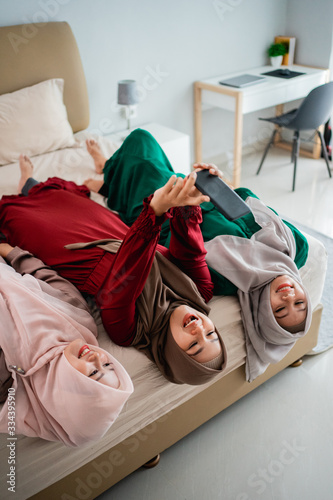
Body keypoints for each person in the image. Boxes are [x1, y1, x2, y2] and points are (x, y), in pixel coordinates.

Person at [84, 129, 312, 381]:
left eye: (279, 309)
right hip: (202, 196)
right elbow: (248, 201)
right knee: (146, 148)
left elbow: (176, 249)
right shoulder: (297, 249)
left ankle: (108, 174)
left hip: (171, 214)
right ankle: (108, 175)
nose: (288, 296)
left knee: (140, 144)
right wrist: (217, 185)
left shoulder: (226, 281)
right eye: (299, 302)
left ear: (263, 311)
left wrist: (179, 208)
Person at [0, 156, 227, 387]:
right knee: (60, 196)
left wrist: (155, 212)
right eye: (211, 335)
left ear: (172, 352)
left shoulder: (129, 331)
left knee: (16, 216)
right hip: (113, 230)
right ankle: (29, 183)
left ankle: (24, 185)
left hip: (72, 249)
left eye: (193, 345)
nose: (199, 330)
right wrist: (189, 202)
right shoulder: (200, 292)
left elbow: (125, 278)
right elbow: (190, 252)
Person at [0, 242, 133, 447]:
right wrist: (6, 249)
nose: (98, 357)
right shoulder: (80, 322)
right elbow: (43, 275)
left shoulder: (6, 374)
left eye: (92, 373)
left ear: (65, 393)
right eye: (108, 366)